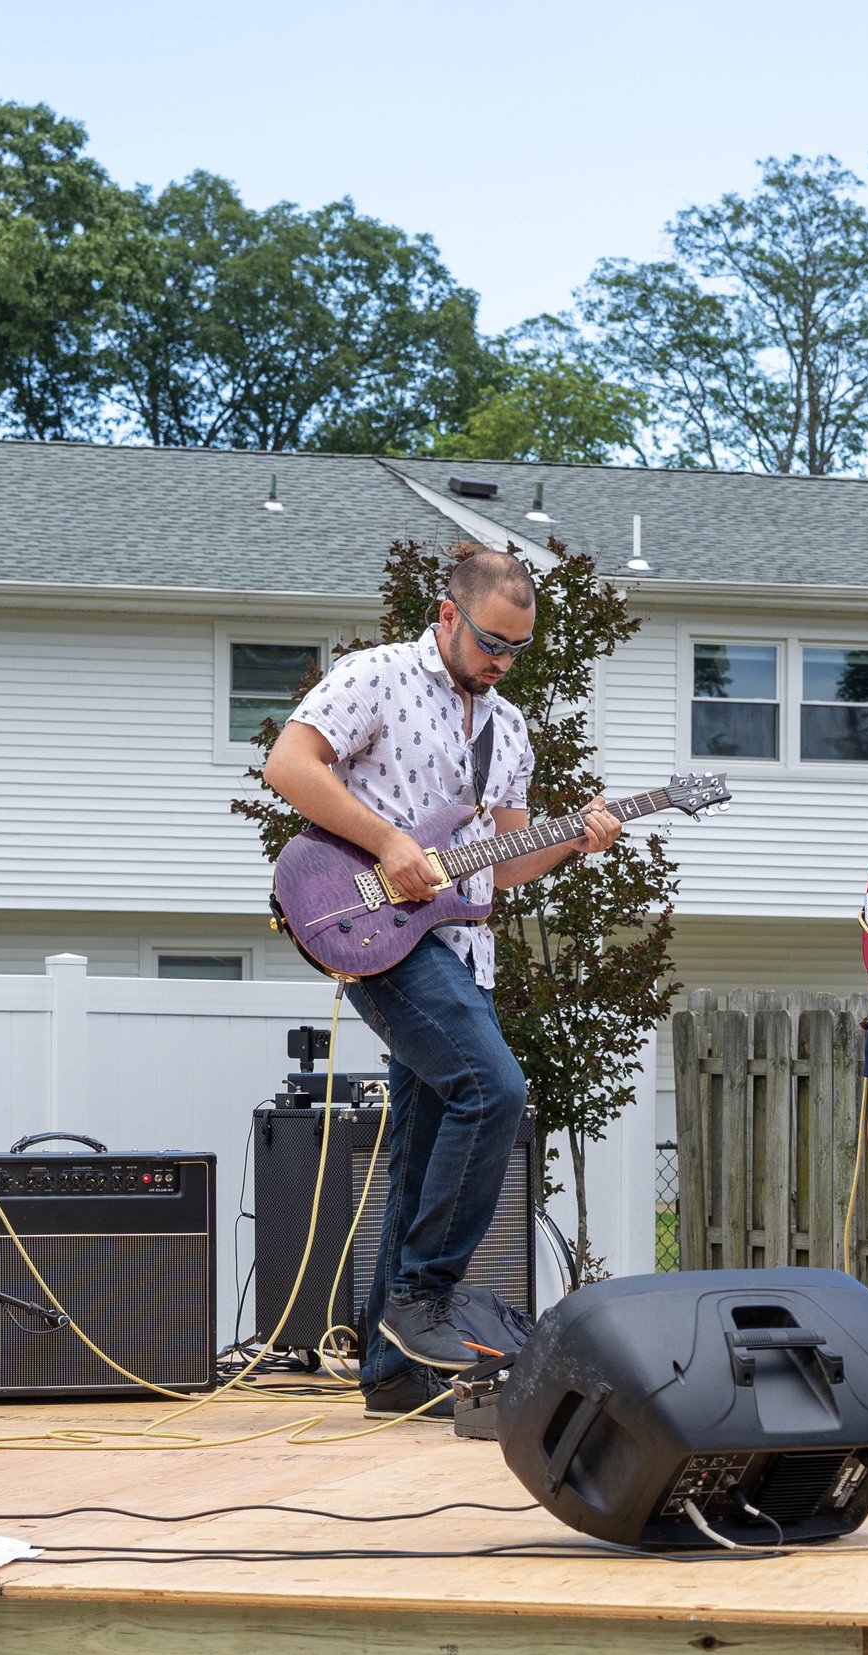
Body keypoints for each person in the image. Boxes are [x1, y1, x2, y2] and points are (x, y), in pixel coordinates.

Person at [263, 547, 620, 1420]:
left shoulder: (511, 727)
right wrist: (390, 842)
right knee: (494, 1088)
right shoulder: (377, 676)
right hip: (368, 922)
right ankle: (422, 1297)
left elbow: (505, 860)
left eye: (519, 648)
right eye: (492, 640)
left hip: (461, 947)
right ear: (449, 614)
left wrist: (578, 837)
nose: (502, 659)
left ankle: (390, 1367)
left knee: (425, 1142)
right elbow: (290, 765)